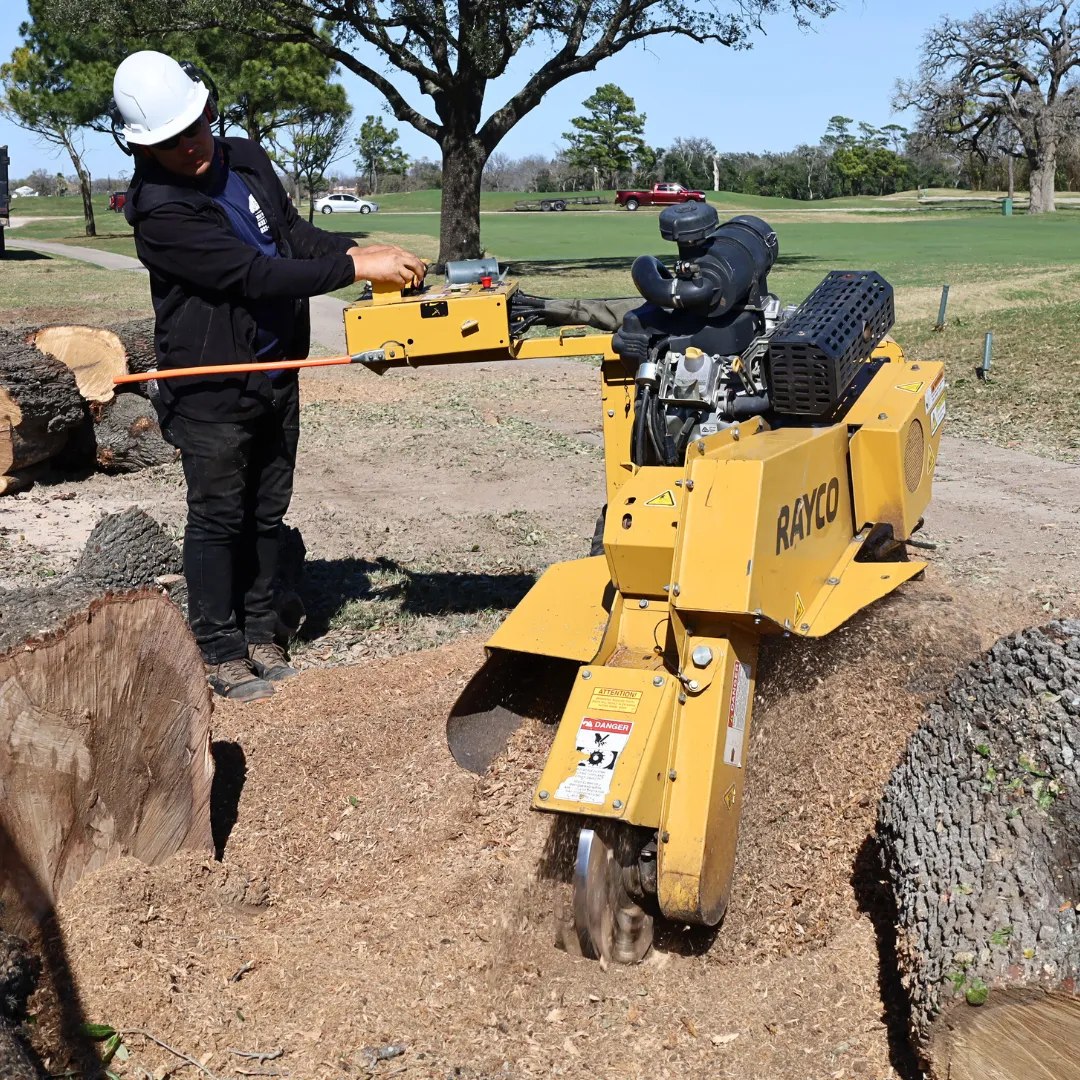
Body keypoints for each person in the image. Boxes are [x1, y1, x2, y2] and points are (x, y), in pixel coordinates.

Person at [112, 50, 426, 702]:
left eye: (195, 128)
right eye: (169, 143)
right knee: (219, 517)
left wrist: (356, 249)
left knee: (266, 511)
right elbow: (252, 275)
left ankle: (261, 632)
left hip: (279, 367)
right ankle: (217, 648)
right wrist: (356, 268)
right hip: (211, 385)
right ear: (145, 147)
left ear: (208, 108)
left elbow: (289, 236)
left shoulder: (245, 159)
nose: (190, 148)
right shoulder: (160, 213)